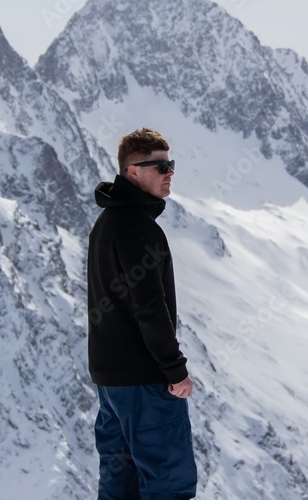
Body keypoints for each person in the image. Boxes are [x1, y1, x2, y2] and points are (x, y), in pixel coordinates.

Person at [87, 127, 197, 500]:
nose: (170, 173)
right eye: (161, 165)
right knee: (168, 482)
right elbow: (150, 305)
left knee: (119, 481)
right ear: (133, 171)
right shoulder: (137, 227)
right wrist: (174, 368)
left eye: (172, 164)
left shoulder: (106, 224)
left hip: (111, 381)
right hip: (146, 379)